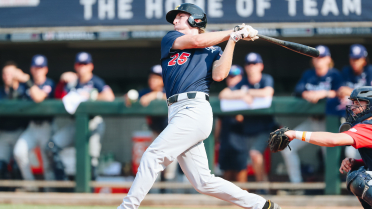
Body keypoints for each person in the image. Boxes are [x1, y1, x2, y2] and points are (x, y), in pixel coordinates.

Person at [117, 3, 280, 209]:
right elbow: (196, 40)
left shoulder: (214, 49)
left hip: (195, 109)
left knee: (153, 155)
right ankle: (261, 205)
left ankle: (127, 207)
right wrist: (235, 31)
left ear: (196, 19)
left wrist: (233, 40)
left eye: (180, 16)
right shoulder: (171, 38)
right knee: (203, 182)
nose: (175, 21)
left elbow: (220, 74)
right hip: (176, 111)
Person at [282, 86, 372, 209]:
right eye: (353, 103)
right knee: (358, 170)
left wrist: (295, 134)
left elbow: (333, 140)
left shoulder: (368, 126)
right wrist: (358, 162)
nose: (354, 107)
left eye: (358, 103)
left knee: (359, 178)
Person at [281, 45, 343, 184]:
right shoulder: (309, 74)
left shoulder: (335, 74)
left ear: (329, 59)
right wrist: (306, 93)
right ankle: (296, 184)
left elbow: (341, 91)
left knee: (329, 155)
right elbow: (297, 90)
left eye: (322, 57)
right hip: (311, 122)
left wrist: (324, 93)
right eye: (317, 57)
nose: (319, 60)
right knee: (286, 147)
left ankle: (333, 187)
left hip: (328, 123)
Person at [48, 52, 115, 180]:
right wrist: (62, 82)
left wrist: (90, 96)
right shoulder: (72, 83)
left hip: (93, 122)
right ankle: (64, 185)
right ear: (75, 66)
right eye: (80, 64)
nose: (82, 67)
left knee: (92, 160)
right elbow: (58, 97)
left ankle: (91, 194)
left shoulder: (95, 81)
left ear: (91, 66)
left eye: (85, 64)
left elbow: (109, 96)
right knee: (52, 147)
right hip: (76, 124)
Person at [219, 54, 275, 185]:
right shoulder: (242, 83)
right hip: (248, 130)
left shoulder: (266, 79)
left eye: (255, 63)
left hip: (265, 128)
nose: (251, 67)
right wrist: (241, 94)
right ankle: (262, 186)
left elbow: (268, 92)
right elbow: (223, 94)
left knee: (255, 154)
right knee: (246, 160)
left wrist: (247, 93)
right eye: (249, 64)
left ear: (261, 66)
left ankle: (263, 187)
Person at [13, 55, 55, 187]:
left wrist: (26, 80)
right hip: (31, 127)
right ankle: (31, 187)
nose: (38, 70)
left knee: (47, 163)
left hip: (47, 127)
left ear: (46, 69)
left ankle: (51, 192)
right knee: (19, 152)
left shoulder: (49, 83)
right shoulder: (26, 86)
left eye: (41, 67)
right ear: (32, 69)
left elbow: (38, 97)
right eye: (36, 67)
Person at [337, 44, 372, 159]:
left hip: (369, 120)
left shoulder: (370, 71)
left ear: (364, 60)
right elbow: (340, 91)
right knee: (351, 154)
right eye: (353, 59)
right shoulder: (346, 71)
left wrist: (351, 92)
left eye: (358, 59)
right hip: (355, 119)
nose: (354, 62)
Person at [216, 65, 247, 182]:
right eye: (229, 77)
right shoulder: (225, 94)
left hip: (242, 141)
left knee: (241, 179)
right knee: (227, 179)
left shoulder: (247, 90)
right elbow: (219, 122)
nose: (231, 79)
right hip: (226, 141)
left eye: (234, 76)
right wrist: (216, 140)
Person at [0, 62, 29, 182]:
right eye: (5, 74)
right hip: (4, 133)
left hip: (20, 132)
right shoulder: (1, 92)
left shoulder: (24, 91)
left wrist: (24, 80)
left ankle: (25, 190)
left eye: (11, 74)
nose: (8, 77)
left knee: (18, 166)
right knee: (1, 167)